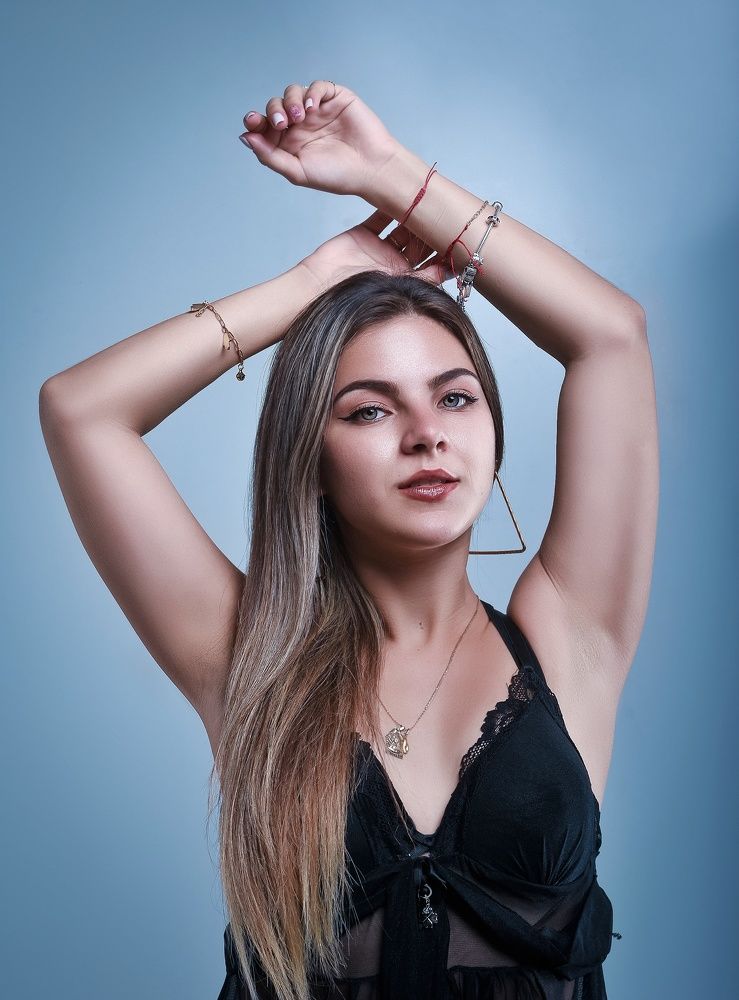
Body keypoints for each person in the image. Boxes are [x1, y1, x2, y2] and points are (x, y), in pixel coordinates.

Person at [38, 80, 659, 1000]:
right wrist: (311, 288)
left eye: (454, 396)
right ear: (311, 457)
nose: (426, 434)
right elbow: (81, 409)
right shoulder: (248, 651)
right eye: (370, 409)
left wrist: (389, 173)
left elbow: (610, 334)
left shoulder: (568, 631)